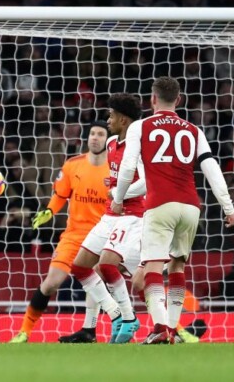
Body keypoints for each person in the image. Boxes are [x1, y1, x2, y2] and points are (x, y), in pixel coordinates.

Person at [112, 76, 234, 344]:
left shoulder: (140, 127)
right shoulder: (193, 130)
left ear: (152, 99)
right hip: (191, 206)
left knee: (153, 266)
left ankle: (160, 328)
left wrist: (118, 198)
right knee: (178, 266)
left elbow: (128, 166)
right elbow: (211, 167)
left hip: (160, 204)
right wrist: (228, 206)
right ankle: (170, 330)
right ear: (178, 100)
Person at [10, 121, 110, 343]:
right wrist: (48, 211)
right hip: (73, 235)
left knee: (95, 285)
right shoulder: (73, 165)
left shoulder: (116, 169)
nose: (95, 138)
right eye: (92, 134)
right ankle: (24, 331)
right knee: (51, 283)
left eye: (100, 134)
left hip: (102, 236)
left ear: (108, 140)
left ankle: (91, 330)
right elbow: (60, 195)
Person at [59, 93, 145, 344]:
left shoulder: (139, 146)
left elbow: (146, 184)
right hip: (110, 214)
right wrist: (113, 186)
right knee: (79, 266)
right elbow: (118, 177)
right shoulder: (112, 144)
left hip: (132, 215)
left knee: (107, 266)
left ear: (123, 120)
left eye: (111, 116)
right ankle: (116, 314)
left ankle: (130, 318)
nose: (108, 120)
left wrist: (119, 193)